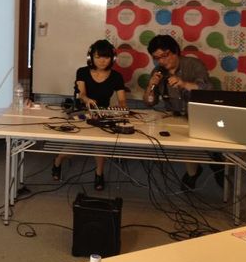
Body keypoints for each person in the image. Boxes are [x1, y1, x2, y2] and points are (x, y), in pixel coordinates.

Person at [52, 39, 127, 190]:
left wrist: (120, 108)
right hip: (83, 112)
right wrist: (87, 100)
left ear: (112, 58)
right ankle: (57, 162)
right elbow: (82, 94)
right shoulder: (82, 72)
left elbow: (122, 100)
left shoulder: (116, 76)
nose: (102, 61)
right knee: (73, 147)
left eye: (106, 57)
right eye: (98, 57)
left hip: (102, 114)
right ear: (91, 57)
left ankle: (99, 175)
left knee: (100, 145)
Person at [143, 34, 213, 190]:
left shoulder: (193, 65)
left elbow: (207, 89)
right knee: (180, 140)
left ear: (175, 51)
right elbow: (149, 102)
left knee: (196, 143)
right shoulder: (158, 71)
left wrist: (183, 83)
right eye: (157, 58)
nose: (161, 61)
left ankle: (211, 166)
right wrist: (151, 86)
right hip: (175, 117)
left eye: (165, 55)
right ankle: (193, 172)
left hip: (199, 115)